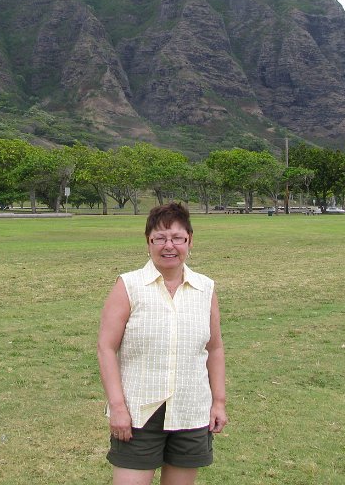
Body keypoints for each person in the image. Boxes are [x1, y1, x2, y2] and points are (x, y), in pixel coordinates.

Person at [97, 202, 227, 485]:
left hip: (191, 410)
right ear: (148, 242)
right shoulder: (129, 285)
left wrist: (218, 402)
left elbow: (214, 348)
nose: (169, 246)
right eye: (160, 238)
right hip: (139, 414)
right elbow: (106, 348)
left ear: (189, 241)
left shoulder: (206, 288)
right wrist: (117, 406)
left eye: (177, 238)